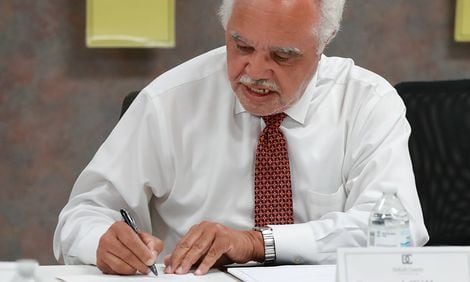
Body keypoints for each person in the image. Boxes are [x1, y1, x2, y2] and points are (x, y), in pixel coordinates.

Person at [54, 0, 429, 276]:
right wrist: (102, 240)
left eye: (283, 56)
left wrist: (255, 243)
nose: (254, 71)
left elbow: (399, 230)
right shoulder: (168, 101)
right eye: (242, 47)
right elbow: (81, 215)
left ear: (324, 43)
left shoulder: (367, 102)